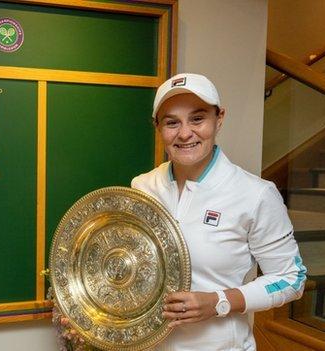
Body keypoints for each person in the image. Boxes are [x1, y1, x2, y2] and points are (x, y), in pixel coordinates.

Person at [131, 73, 306, 351]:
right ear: (158, 127)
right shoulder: (141, 187)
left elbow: (291, 279)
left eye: (197, 118)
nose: (185, 133)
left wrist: (219, 302)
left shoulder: (255, 194)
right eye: (171, 122)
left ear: (219, 118)